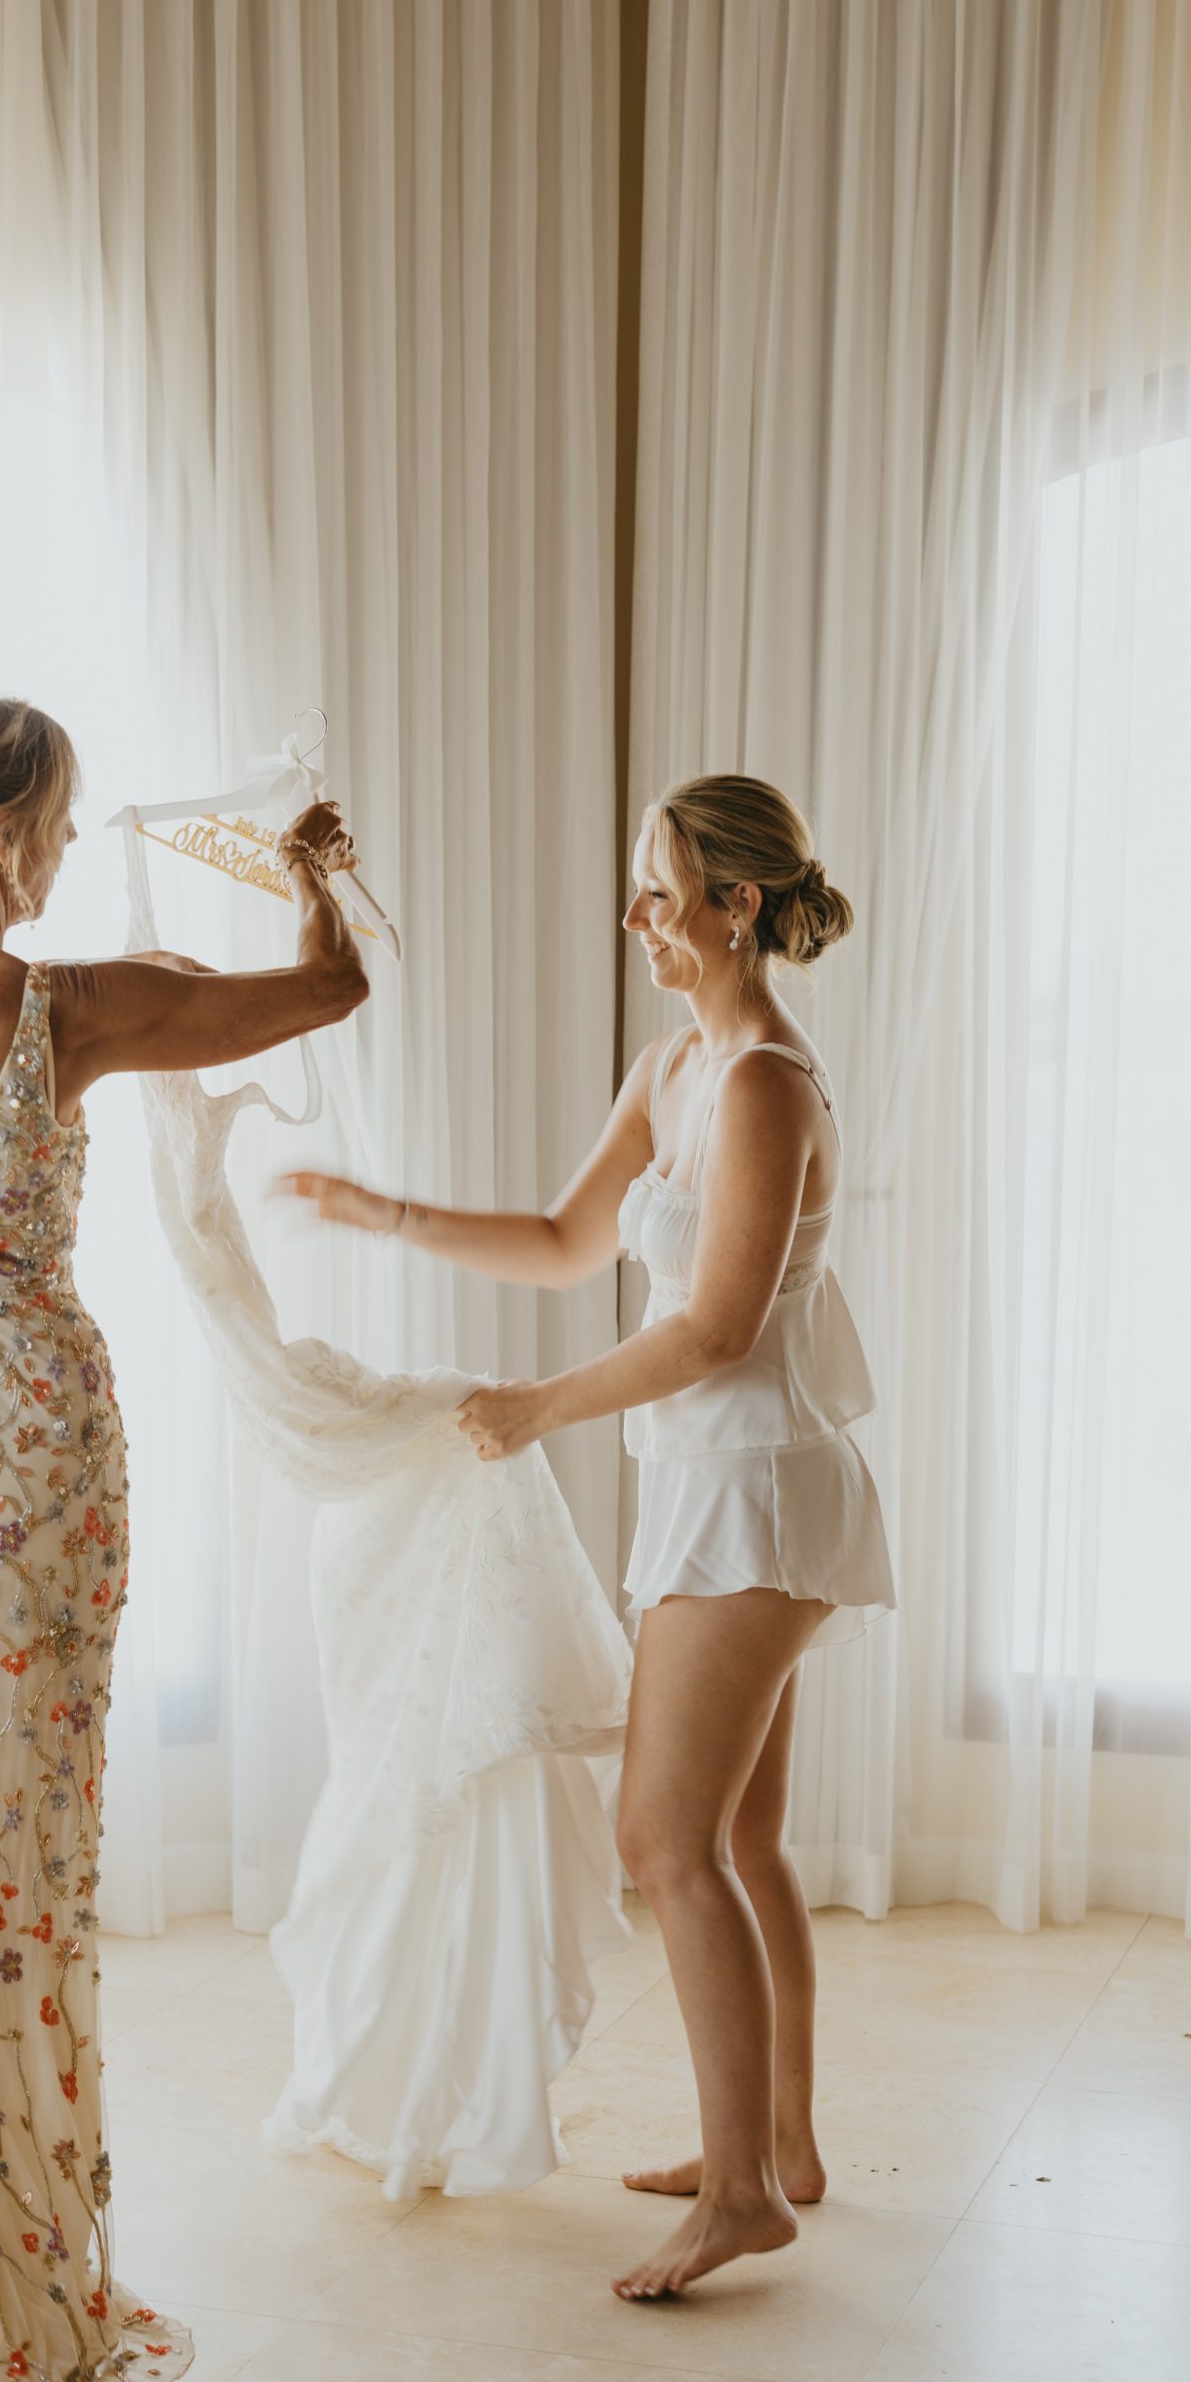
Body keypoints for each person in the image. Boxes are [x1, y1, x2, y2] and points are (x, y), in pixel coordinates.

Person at [0, 670, 365, 2382]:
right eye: (45, 829)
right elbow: (326, 991)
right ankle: (25, 2265)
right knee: (17, 1856)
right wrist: (310, 874)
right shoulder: (66, 1010)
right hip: (24, 1471)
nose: (55, 858)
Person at [282, 773, 893, 2299]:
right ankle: (782, 2147)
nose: (633, 917)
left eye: (655, 891)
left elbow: (716, 1328)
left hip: (757, 1491)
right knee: (737, 1837)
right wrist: (380, 1210)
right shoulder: (671, 1068)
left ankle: (742, 2194)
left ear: (732, 906)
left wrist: (537, 1408)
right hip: (710, 1488)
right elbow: (567, 1244)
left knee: (659, 1839)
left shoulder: (765, 1086)